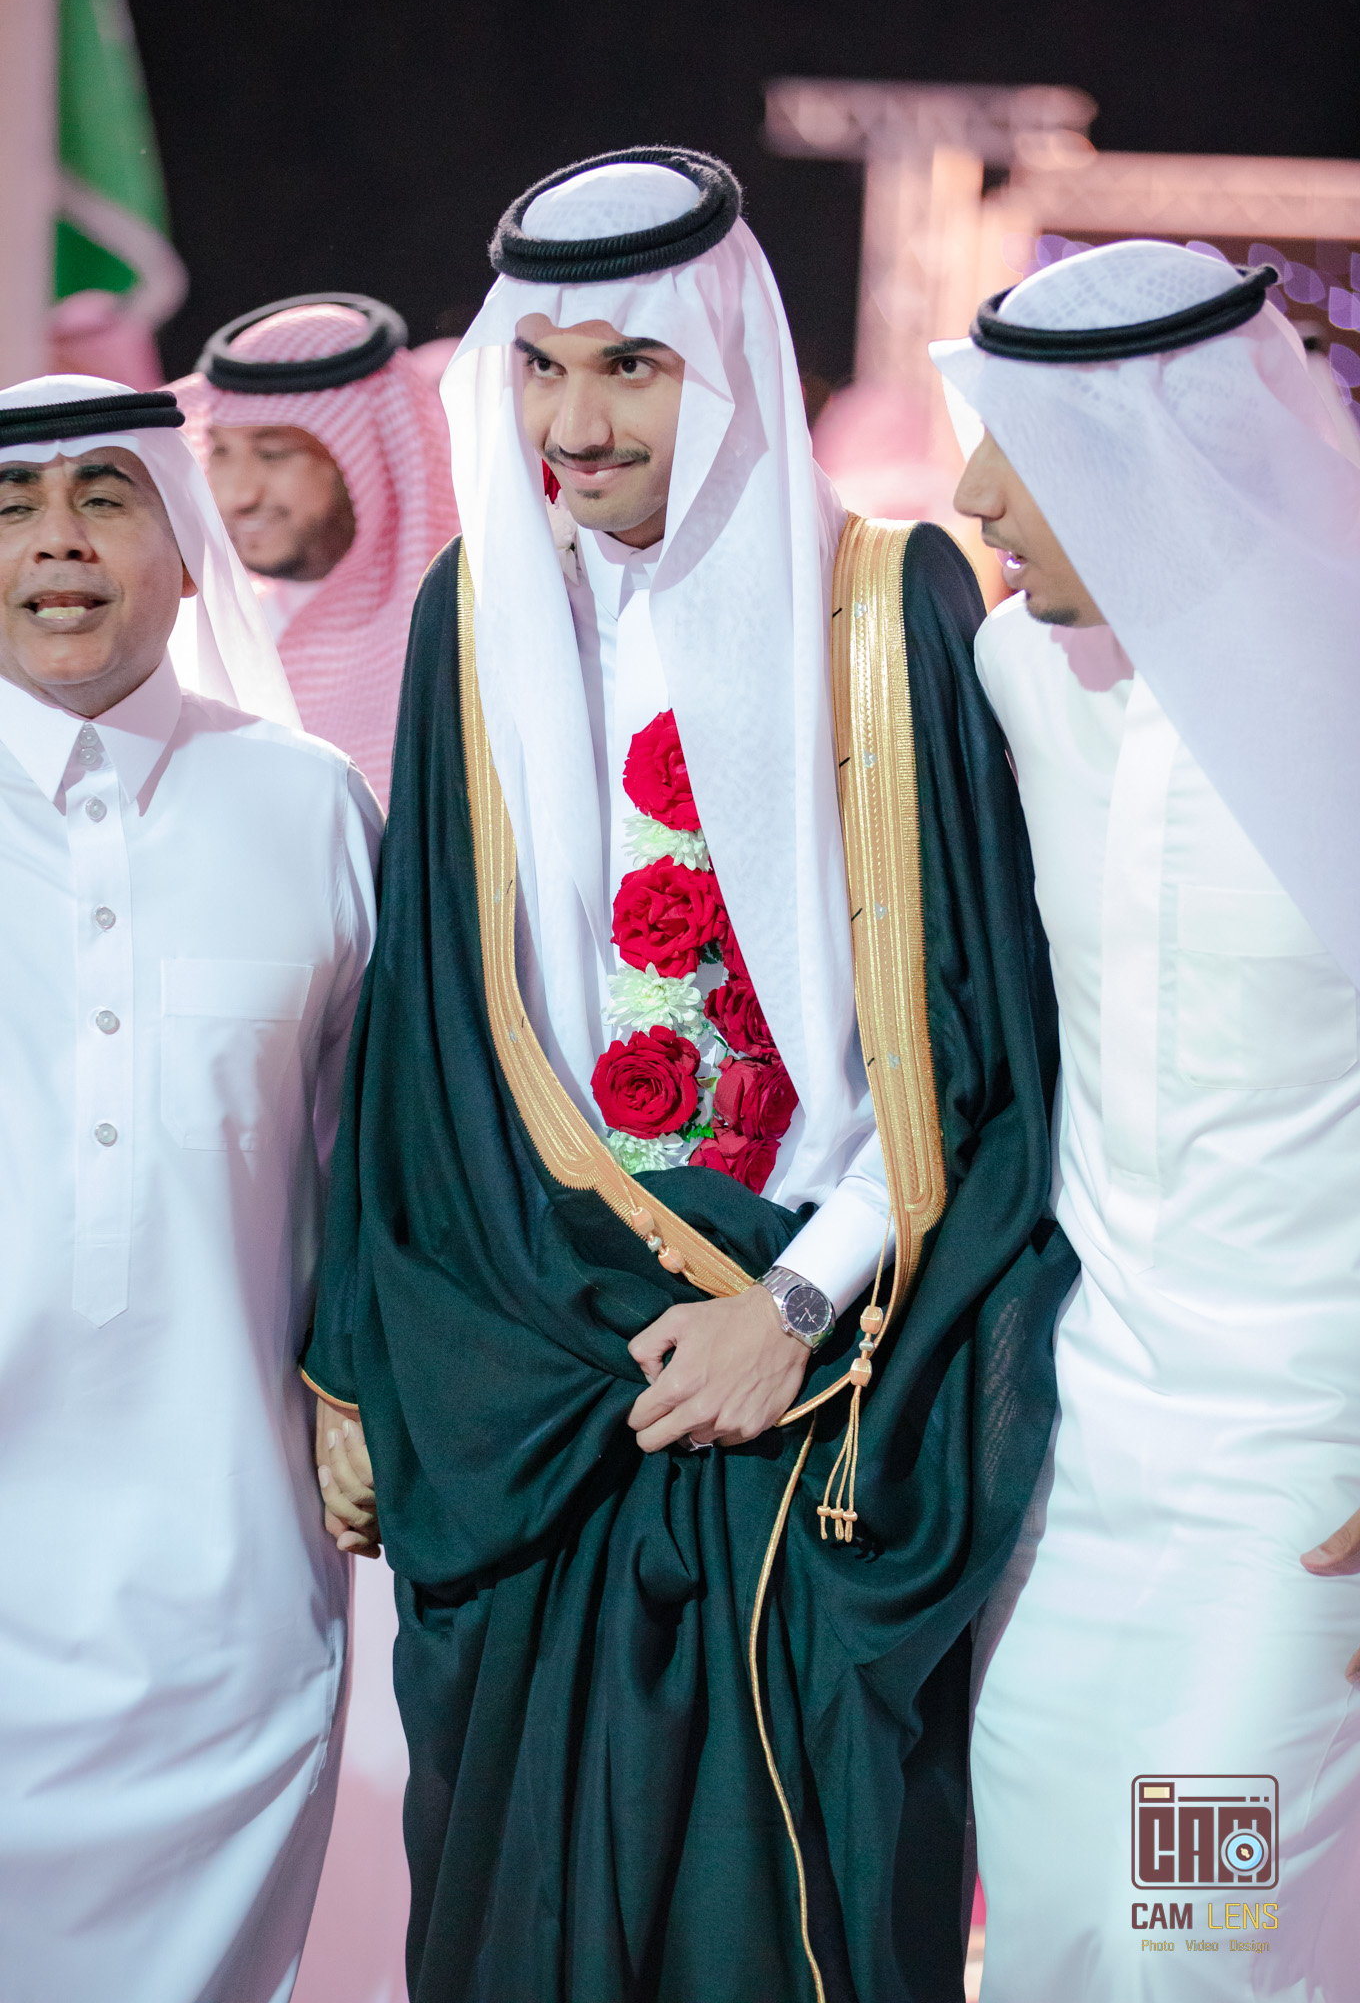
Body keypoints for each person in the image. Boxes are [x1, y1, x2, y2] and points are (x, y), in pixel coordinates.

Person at [307, 147, 1076, 2003]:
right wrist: (352, 1360)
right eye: (542, 369)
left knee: (798, 1895)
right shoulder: (469, 623)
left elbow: (974, 1039)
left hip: (828, 1359)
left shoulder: (886, 609)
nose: (574, 427)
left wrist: (793, 1305)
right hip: (544, 1365)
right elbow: (421, 1046)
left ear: (721, 364)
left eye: (628, 369)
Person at [934, 240, 1360, 1999]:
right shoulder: (1021, 675)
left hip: (1304, 1492)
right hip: (1080, 1469)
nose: (973, 497)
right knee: (1046, 1933)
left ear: (1153, 449)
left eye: (1019, 446)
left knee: (1195, 1945)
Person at [0, 374, 381, 2003]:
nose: (57, 543)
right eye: (11, 508)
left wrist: (361, 1386)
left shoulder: (310, 804)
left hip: (230, 1597)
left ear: (182, 542)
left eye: (106, 497)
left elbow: (389, 1171)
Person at [176, 294, 459, 804]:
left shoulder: (458, 631)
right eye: (221, 451)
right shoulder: (188, 632)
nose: (238, 495)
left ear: (367, 455)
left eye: (273, 454)